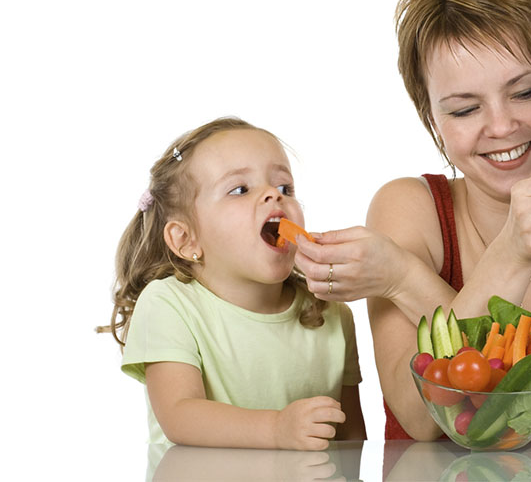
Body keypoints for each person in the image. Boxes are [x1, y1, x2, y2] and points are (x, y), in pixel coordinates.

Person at [294, 0, 531, 440]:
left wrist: (406, 279)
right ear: (432, 119)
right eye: (464, 109)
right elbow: (421, 418)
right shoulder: (406, 207)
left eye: (525, 92)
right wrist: (508, 253)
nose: (500, 126)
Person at [99, 117, 366, 449]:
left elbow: (351, 438)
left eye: (285, 188)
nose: (274, 195)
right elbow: (180, 416)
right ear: (185, 239)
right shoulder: (168, 304)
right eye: (240, 189)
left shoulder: (332, 313)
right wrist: (276, 429)